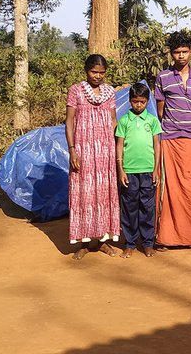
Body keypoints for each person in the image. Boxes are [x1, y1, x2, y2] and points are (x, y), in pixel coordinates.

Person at [154, 31, 191, 248]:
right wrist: (173, 125)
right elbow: (160, 110)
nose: (181, 56)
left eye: (185, 51)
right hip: (170, 139)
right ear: (171, 54)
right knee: (170, 189)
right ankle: (168, 238)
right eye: (176, 52)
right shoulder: (163, 77)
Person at [65, 54, 119, 260]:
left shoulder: (109, 92)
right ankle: (85, 242)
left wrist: (118, 147)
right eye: (94, 72)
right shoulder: (76, 91)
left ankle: (104, 241)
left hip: (105, 150)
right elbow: (69, 122)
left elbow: (113, 121)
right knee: (84, 194)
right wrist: (72, 150)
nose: (98, 76)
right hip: (83, 150)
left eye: (102, 73)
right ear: (86, 70)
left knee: (104, 193)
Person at [115, 83, 162, 258]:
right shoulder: (124, 121)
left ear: (147, 101)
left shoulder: (152, 120)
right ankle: (129, 243)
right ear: (129, 101)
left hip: (148, 171)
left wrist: (156, 169)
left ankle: (148, 242)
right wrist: (120, 169)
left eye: (142, 102)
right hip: (129, 171)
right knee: (129, 207)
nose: (139, 105)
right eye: (135, 102)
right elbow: (119, 145)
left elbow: (157, 144)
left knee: (147, 207)